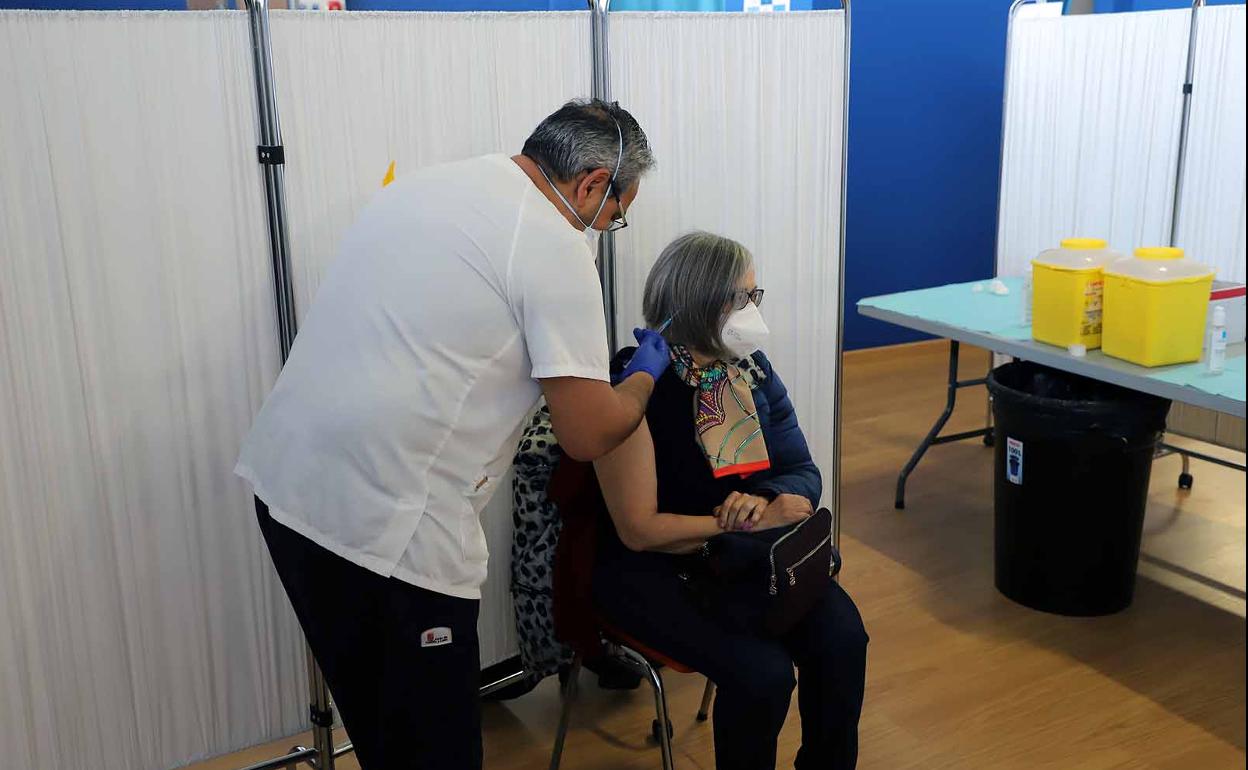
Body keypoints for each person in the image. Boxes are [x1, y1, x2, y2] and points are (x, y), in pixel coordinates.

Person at [234, 99, 669, 769]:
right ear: (590, 183)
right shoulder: (555, 246)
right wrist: (643, 375)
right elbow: (586, 433)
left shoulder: (428, 186)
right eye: (615, 214)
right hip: (387, 537)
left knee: (384, 731)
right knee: (434, 752)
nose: (605, 227)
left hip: (287, 488)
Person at [592, 232, 868, 770]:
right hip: (656, 570)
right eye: (742, 298)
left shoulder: (750, 370)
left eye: (754, 295)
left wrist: (765, 500)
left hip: (748, 560)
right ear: (699, 302)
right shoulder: (636, 385)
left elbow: (801, 472)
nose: (753, 311)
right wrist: (747, 521)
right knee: (763, 677)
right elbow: (638, 531)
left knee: (842, 640)